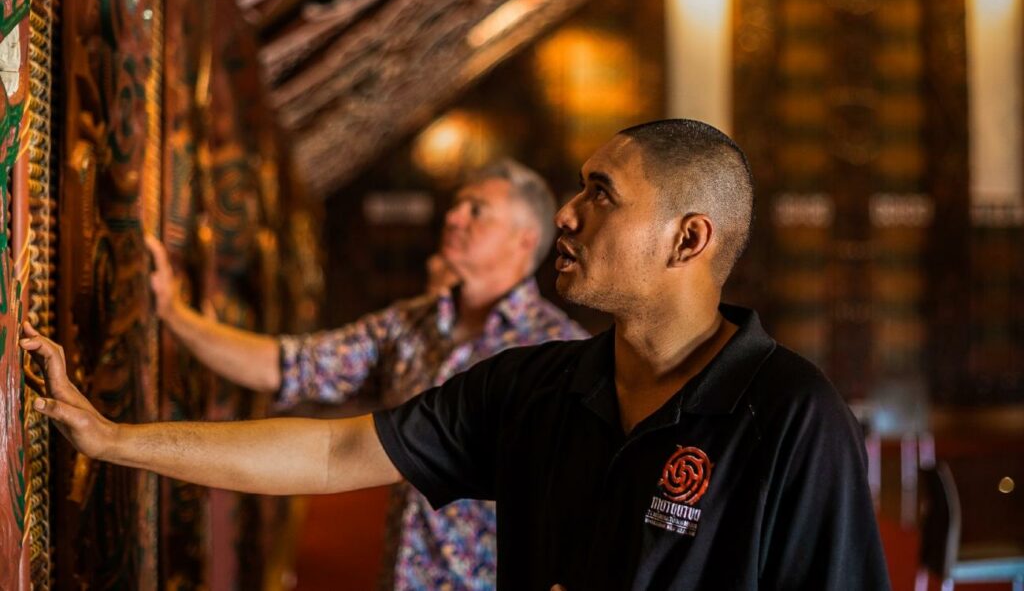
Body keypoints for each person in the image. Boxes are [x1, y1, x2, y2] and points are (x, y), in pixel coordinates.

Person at [23, 119, 891, 590]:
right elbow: (334, 447)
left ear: (688, 237)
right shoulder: (540, 385)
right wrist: (114, 438)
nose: (568, 213)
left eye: (600, 193)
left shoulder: (788, 414)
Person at [143, 158, 587, 590]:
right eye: (455, 205)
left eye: (476, 210)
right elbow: (287, 366)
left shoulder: (558, 351)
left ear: (523, 239)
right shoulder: (411, 325)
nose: (453, 217)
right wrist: (174, 314)